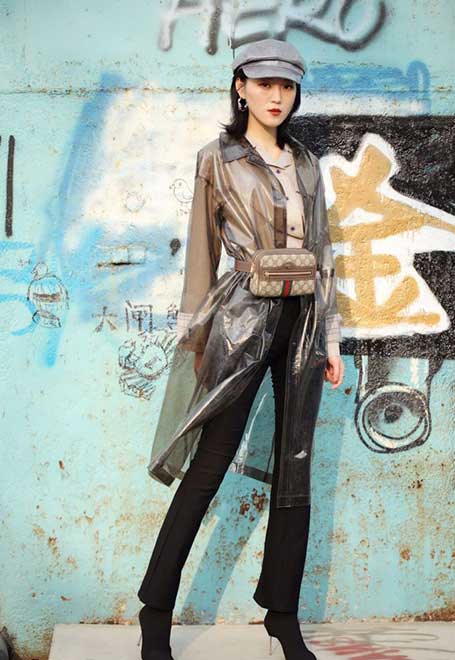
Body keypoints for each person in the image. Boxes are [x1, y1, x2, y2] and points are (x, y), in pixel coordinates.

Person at [137, 38, 345, 660]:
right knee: (210, 463)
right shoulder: (217, 158)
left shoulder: (306, 163)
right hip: (240, 321)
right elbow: (201, 254)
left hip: (303, 323)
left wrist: (332, 337)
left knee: (296, 463)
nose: (276, 96)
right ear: (241, 88)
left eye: (287, 86)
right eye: (264, 84)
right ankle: (156, 610)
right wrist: (196, 338)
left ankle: (283, 616)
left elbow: (324, 253)